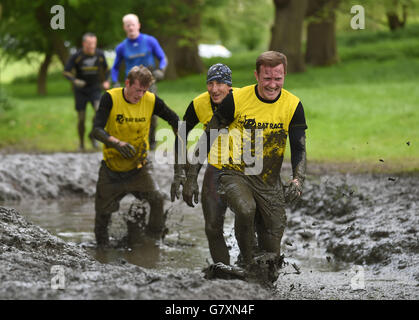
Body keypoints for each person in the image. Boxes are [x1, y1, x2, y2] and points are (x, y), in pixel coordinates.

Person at [182, 51, 307, 270]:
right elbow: (208, 136)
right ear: (256, 76)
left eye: (278, 78)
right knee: (245, 209)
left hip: (268, 180)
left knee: (272, 252)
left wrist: (298, 180)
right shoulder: (237, 99)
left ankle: (255, 270)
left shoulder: (293, 105)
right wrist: (191, 176)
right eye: (267, 78)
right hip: (234, 172)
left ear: (285, 75)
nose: (272, 84)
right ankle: (245, 264)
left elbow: (299, 146)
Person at [92, 65, 179, 247]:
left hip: (139, 168)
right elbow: (96, 130)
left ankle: (154, 241)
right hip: (111, 169)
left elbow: (173, 118)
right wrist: (116, 143)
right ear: (127, 83)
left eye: (144, 91)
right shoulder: (110, 98)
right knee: (102, 214)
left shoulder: (151, 100)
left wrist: (180, 136)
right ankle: (102, 249)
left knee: (156, 199)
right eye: (138, 90)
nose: (140, 95)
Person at [171, 63, 235, 265]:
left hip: (246, 169)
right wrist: (179, 172)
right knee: (212, 227)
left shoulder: (244, 99)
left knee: (247, 223)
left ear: (230, 86)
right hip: (216, 167)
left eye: (220, 84)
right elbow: (181, 134)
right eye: (210, 83)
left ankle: (251, 267)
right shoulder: (199, 103)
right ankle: (224, 272)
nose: (214, 89)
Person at [111, 13, 167, 150]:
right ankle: (131, 141)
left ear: (138, 25)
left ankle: (152, 141)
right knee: (129, 114)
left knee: (152, 112)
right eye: (128, 25)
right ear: (124, 28)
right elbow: (115, 67)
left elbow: (162, 58)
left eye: (133, 24)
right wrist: (115, 82)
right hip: (131, 85)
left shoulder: (150, 41)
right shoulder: (121, 47)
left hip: (149, 82)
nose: (131, 27)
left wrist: (161, 70)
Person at [63, 32, 110, 151]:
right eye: (89, 44)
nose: (92, 46)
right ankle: (81, 144)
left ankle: (93, 136)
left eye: (94, 43)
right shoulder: (77, 56)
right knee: (81, 118)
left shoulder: (100, 54)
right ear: (84, 44)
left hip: (95, 88)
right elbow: (66, 72)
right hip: (81, 91)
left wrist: (106, 81)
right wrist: (75, 81)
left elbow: (107, 70)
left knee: (99, 113)